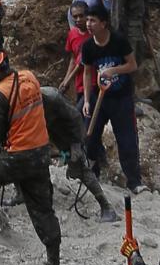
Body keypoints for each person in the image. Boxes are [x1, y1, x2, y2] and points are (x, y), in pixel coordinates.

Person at [0, 45, 62, 265]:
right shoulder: (29, 77)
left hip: (18, 156)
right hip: (41, 153)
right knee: (42, 207)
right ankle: (54, 259)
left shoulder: (0, 94)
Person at [80, 9, 143, 192]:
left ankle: (134, 182)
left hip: (121, 98)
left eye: (93, 20)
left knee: (127, 140)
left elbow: (132, 65)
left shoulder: (119, 41)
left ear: (103, 23)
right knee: (90, 138)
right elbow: (87, 73)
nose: (88, 24)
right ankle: (93, 176)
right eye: (87, 20)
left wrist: (114, 70)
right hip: (98, 98)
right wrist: (86, 101)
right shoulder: (88, 46)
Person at [41, 83, 117, 221]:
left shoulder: (51, 97)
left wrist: (76, 145)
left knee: (80, 167)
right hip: (47, 131)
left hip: (67, 131)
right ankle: (35, 195)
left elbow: (76, 117)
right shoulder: (20, 103)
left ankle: (106, 207)